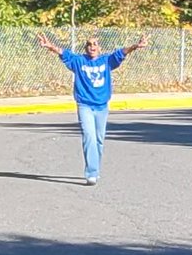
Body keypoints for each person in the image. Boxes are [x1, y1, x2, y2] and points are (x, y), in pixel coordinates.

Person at [36, 32, 149, 185]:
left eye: (95, 44)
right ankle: (92, 172)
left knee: (99, 140)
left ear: (99, 48)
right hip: (85, 106)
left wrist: (135, 46)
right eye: (89, 44)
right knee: (89, 137)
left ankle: (95, 167)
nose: (92, 47)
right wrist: (49, 46)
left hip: (102, 106)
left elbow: (121, 53)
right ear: (85, 48)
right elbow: (63, 53)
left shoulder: (106, 61)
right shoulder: (79, 61)